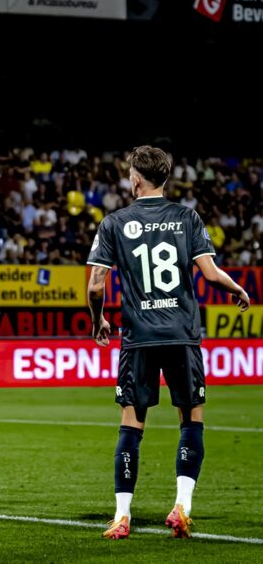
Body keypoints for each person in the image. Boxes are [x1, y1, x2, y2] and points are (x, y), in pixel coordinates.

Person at [87, 146, 251, 540]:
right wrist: (237, 289)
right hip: (181, 334)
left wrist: (99, 319)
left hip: (139, 338)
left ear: (137, 178)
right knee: (191, 419)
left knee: (131, 423)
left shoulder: (114, 222)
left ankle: (121, 515)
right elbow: (211, 275)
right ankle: (182, 507)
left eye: (129, 172)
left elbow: (95, 286)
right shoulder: (186, 217)